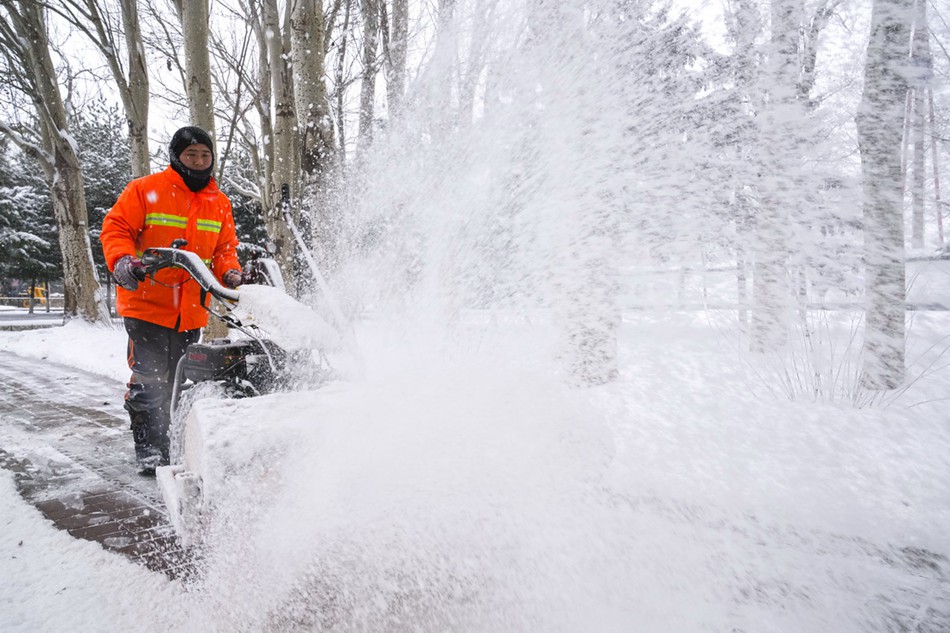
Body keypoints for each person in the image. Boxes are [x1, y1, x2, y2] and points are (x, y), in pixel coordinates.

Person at [100, 126, 244, 475]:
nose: (198, 161)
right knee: (151, 378)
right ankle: (150, 448)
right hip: (147, 302)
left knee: (179, 378)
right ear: (176, 157)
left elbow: (225, 249)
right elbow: (116, 228)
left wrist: (231, 273)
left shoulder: (218, 202)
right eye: (191, 154)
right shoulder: (146, 190)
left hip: (191, 310)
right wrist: (122, 261)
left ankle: (173, 440)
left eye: (205, 155)